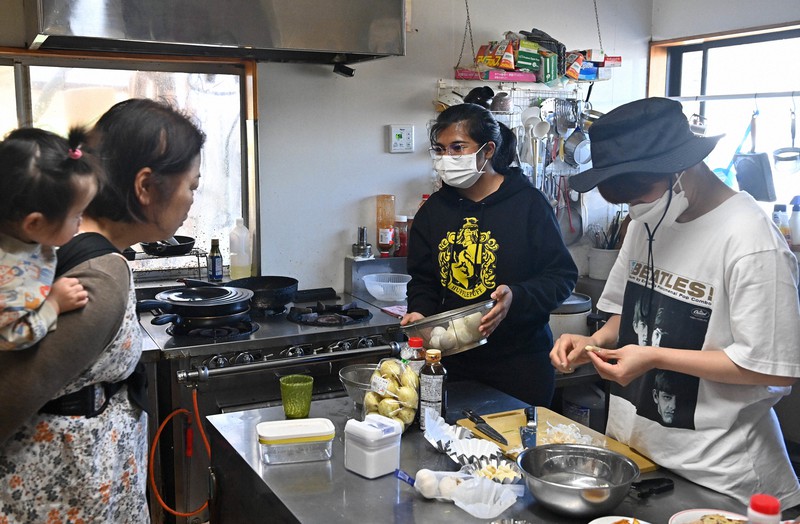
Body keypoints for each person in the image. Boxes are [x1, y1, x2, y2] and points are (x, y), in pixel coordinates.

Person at [550, 97, 800, 507]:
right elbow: (624, 319)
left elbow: (766, 367)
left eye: (638, 195)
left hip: (722, 480)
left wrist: (654, 358)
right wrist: (592, 343)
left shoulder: (750, 239)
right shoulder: (647, 221)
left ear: (681, 169)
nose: (634, 210)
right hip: (639, 459)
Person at [0, 98, 206, 522]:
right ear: (145, 186)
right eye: (192, 186)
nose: (191, 201)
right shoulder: (101, 278)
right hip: (62, 500)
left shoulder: (61, 247)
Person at [401, 103, 578, 407]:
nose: (447, 159)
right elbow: (424, 281)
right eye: (440, 150)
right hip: (454, 363)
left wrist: (516, 297)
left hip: (520, 366)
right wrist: (419, 313)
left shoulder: (528, 205)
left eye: (458, 148)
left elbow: (561, 277)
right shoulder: (433, 212)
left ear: (487, 150)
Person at [0, 128, 99, 350]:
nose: (81, 222)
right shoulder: (9, 276)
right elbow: (9, 337)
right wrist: (53, 304)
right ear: (34, 223)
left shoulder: (22, 235)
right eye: (76, 215)